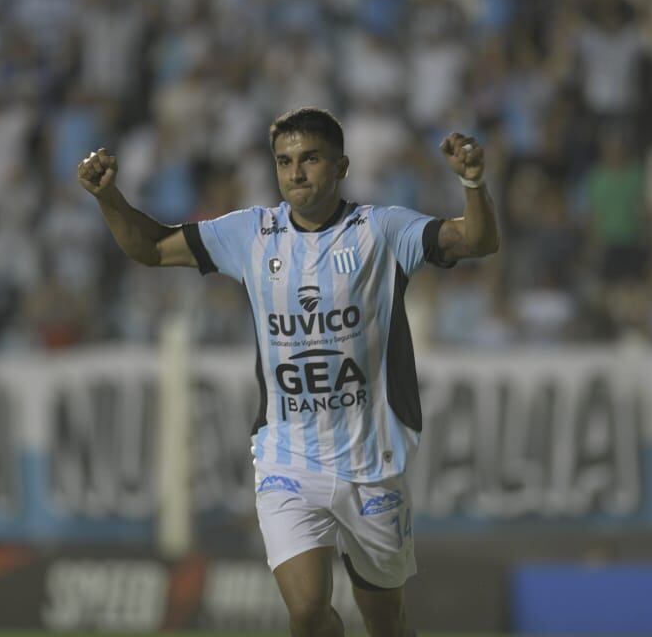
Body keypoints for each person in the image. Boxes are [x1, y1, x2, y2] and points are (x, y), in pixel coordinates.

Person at [77, 107, 499, 637]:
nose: (296, 173)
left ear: (341, 166)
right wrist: (108, 197)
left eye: (310, 159)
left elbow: (478, 242)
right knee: (304, 611)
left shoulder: (381, 230)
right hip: (287, 458)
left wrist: (473, 182)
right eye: (284, 161)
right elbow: (151, 247)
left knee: (385, 622)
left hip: (372, 460)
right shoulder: (253, 233)